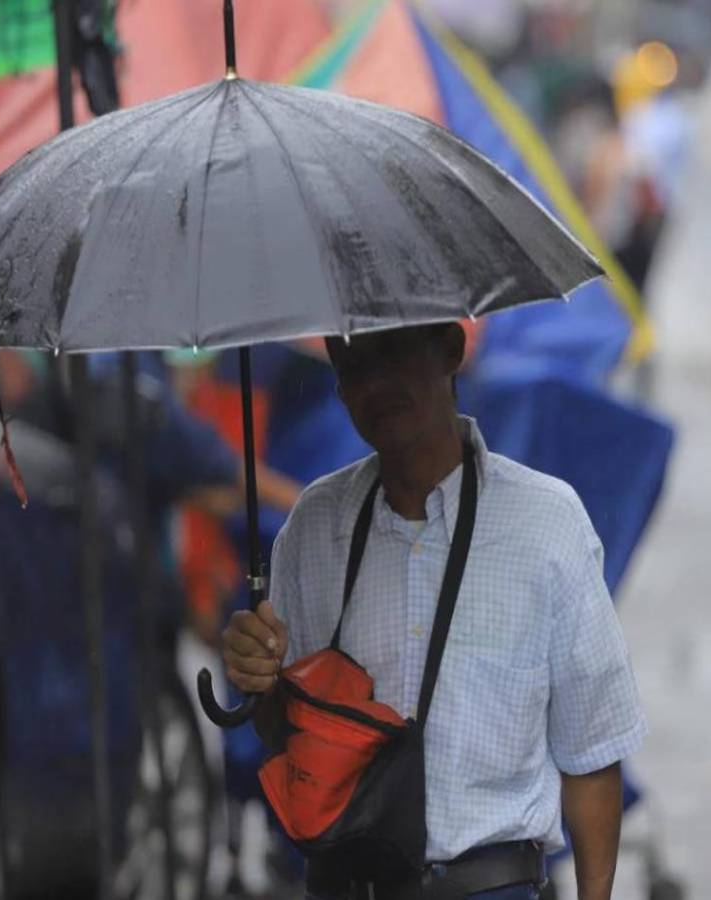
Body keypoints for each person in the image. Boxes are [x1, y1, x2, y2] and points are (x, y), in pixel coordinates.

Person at [222, 323, 645, 900]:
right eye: (353, 361)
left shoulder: (546, 524)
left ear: (450, 349)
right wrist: (259, 678)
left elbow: (592, 752)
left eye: (395, 350)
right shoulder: (315, 525)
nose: (376, 381)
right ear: (337, 381)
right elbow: (286, 737)